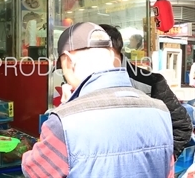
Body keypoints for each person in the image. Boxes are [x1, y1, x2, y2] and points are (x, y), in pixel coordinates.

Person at [22, 22, 174, 177]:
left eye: (62, 68)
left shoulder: (65, 121)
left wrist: (64, 109)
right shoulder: (160, 110)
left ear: (69, 60)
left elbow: (33, 171)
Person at [100, 24, 192, 159]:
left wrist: (163, 161)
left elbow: (181, 126)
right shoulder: (82, 82)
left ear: (110, 50)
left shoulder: (150, 82)